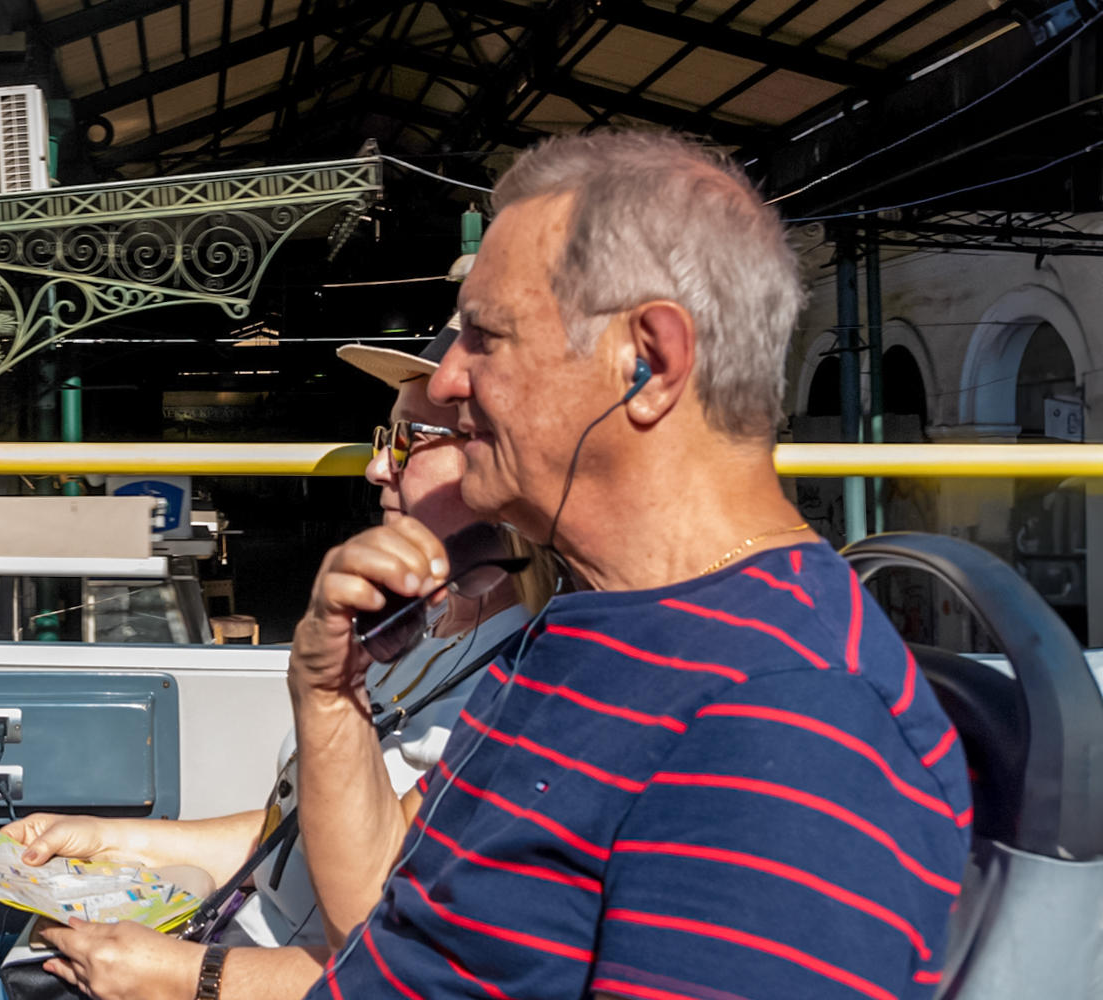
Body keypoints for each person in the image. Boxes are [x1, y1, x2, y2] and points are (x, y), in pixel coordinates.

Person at [287, 132, 973, 1000]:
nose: (450, 382)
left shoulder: (783, 725)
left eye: (485, 338)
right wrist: (325, 695)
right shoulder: (590, 624)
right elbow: (405, 908)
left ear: (647, 364)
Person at [0, 324, 556, 1000]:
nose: (375, 467)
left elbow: (394, 957)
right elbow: (295, 837)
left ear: (499, 463)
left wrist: (181, 975)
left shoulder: (521, 683)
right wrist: (109, 838)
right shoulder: (417, 631)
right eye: (380, 439)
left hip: (265, 975)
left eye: (407, 442)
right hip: (240, 940)